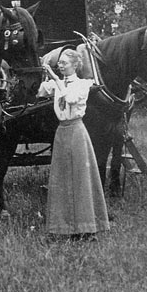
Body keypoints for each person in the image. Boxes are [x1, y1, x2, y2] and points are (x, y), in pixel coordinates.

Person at [38, 50, 110, 242]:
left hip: (77, 131)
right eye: (59, 63)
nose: (60, 66)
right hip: (62, 131)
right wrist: (46, 76)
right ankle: (63, 228)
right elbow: (40, 91)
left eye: (64, 63)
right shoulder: (56, 83)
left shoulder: (82, 85)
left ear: (75, 65)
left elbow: (70, 98)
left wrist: (54, 78)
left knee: (80, 178)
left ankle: (87, 228)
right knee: (61, 178)